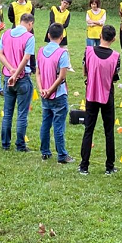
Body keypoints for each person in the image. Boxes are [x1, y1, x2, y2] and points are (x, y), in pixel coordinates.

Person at [78, 25, 121, 175]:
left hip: (91, 94)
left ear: (100, 35)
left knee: (88, 129)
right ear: (114, 39)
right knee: (109, 131)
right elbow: (114, 77)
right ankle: (109, 167)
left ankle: (84, 166)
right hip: (107, 96)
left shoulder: (88, 51)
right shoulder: (116, 56)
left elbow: (85, 71)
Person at [0, 12, 36, 151]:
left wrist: (10, 70)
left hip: (8, 78)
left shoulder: (6, 34)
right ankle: (20, 145)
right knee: (22, 114)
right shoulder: (29, 37)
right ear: (30, 23)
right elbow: (26, 58)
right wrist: (17, 73)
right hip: (22, 78)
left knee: (7, 113)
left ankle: (5, 143)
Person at [36, 23, 73, 164]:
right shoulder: (62, 53)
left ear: (48, 35)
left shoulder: (41, 51)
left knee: (45, 123)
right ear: (62, 37)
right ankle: (62, 155)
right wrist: (50, 90)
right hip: (58, 95)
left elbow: (37, 73)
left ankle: (45, 151)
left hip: (44, 93)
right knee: (58, 126)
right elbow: (62, 76)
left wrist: (41, 89)